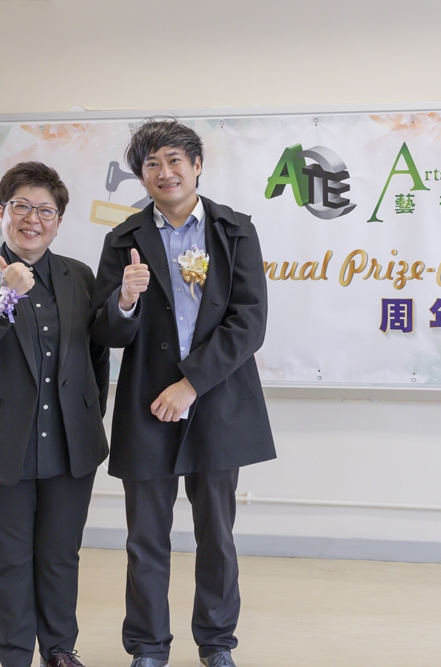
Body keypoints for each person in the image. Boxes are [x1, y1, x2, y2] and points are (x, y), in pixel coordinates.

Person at [91, 119, 275, 667]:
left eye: (174, 160)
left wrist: (191, 384)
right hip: (147, 403)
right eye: (151, 164)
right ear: (141, 176)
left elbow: (249, 322)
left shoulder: (234, 231)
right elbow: (105, 331)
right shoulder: (123, 239)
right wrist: (124, 301)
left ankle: (216, 643)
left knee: (216, 534)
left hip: (216, 399)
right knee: (145, 537)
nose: (164, 172)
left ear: (196, 165)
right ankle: (148, 647)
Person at [0, 162, 110, 667]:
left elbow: (96, 357)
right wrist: (4, 294)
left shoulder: (79, 276)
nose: (32, 219)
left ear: (58, 221)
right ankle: (15, 657)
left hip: (67, 445)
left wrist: (86, 418)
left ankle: (59, 650)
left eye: (45, 210)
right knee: (10, 561)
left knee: (60, 557)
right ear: (2, 212)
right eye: (21, 206)